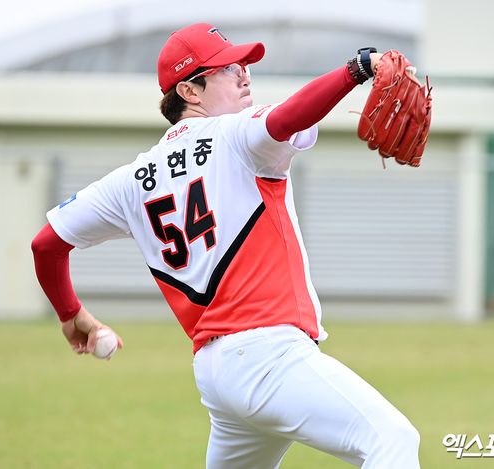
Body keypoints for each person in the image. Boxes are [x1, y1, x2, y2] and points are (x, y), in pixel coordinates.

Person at [31, 23, 421, 468]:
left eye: (243, 66)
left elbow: (46, 245)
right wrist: (357, 68)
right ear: (189, 91)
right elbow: (287, 118)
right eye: (227, 68)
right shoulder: (235, 135)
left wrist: (71, 314)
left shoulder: (130, 181)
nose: (243, 74)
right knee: (392, 439)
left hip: (217, 374)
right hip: (270, 355)